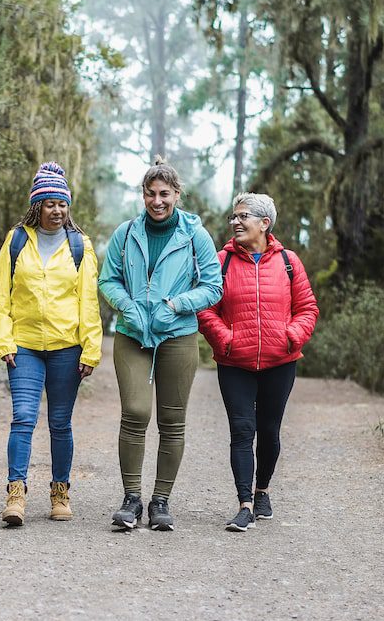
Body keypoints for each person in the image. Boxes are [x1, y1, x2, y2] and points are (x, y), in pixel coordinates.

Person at [98, 159, 223, 532]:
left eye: (164, 194)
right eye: (151, 194)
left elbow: (213, 286)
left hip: (178, 335)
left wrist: (176, 306)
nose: (157, 201)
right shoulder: (126, 233)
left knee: (172, 420)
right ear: (143, 195)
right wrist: (127, 306)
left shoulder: (195, 235)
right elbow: (108, 280)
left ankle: (161, 502)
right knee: (135, 412)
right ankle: (132, 499)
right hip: (133, 333)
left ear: (176, 195)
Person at [197, 192, 319, 532]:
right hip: (234, 362)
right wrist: (226, 339)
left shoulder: (289, 262)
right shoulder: (220, 261)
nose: (235, 222)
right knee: (241, 430)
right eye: (233, 217)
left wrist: (291, 335)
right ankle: (244, 504)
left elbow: (308, 308)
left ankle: (262, 489)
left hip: (280, 362)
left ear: (264, 223)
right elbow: (206, 308)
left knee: (268, 431)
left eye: (243, 216)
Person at [0, 162, 101, 526]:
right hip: (24, 346)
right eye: (50, 204)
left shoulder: (80, 245)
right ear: (37, 205)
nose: (57, 211)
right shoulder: (17, 240)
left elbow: (88, 302)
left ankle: (60, 491)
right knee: (22, 418)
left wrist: (91, 348)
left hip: (67, 348)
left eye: (62, 204)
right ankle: (16, 492)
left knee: (59, 422)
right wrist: (3, 341)